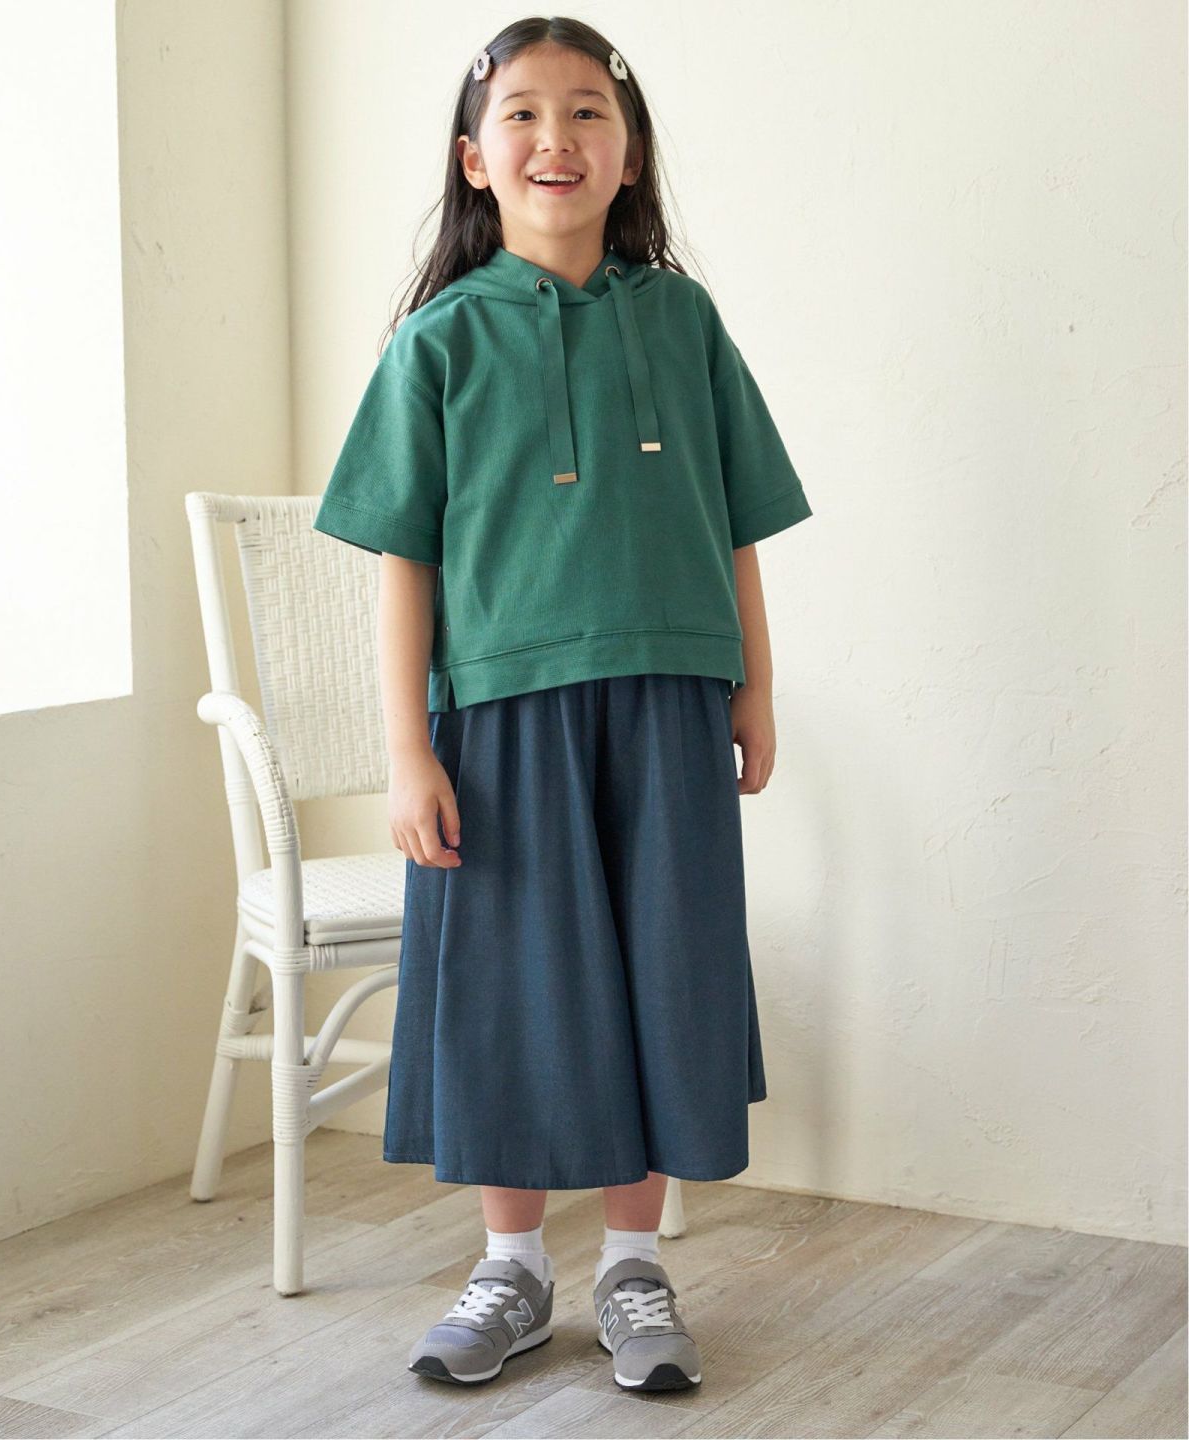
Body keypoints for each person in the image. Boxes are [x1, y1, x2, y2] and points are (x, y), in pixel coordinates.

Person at [312, 15, 813, 1395]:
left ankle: (635, 1268)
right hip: (497, 719)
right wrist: (406, 750)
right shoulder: (438, 343)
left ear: (628, 150)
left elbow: (738, 524)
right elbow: (402, 559)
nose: (557, 137)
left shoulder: (683, 322)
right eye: (523, 114)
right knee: (513, 993)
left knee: (664, 974)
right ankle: (514, 1269)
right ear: (475, 159)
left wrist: (756, 685)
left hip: (668, 704)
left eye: (588, 110)